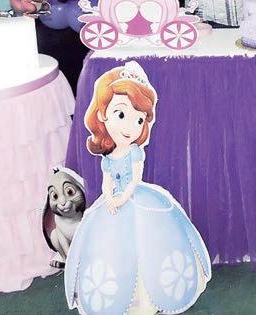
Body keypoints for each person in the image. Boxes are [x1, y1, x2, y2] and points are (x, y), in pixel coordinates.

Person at [65, 61, 211, 313]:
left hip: (136, 197)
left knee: (150, 241)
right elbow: (107, 179)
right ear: (103, 115)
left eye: (139, 119)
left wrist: (122, 198)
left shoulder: (134, 153)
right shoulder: (109, 157)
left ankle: (150, 297)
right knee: (112, 244)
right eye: (121, 114)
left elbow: (134, 179)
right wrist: (109, 196)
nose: (130, 126)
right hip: (113, 201)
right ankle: (122, 298)